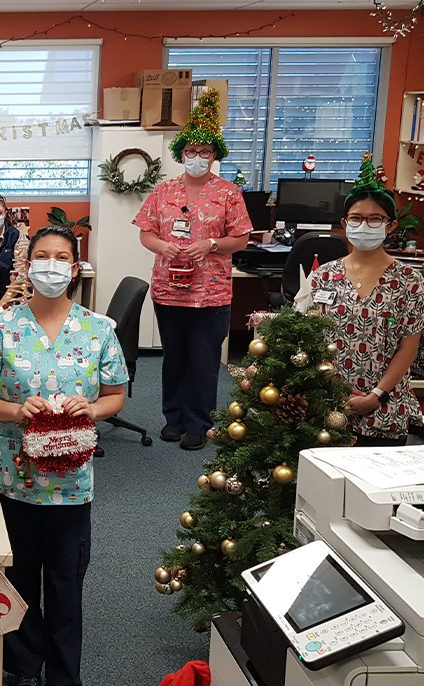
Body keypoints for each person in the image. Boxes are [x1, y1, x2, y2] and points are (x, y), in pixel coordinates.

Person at [0, 226, 127, 686]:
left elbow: (117, 395)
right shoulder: (2, 327)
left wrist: (92, 408)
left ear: (74, 269)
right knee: (15, 584)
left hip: (72, 489)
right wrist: (16, 410)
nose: (51, 265)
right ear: (26, 266)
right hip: (14, 482)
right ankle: (20, 667)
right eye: (42, 256)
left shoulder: (98, 331)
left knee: (65, 587)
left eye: (61, 257)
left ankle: (62, 674)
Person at [134, 88, 251, 451]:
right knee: (174, 358)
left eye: (204, 152)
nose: (197, 158)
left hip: (210, 293)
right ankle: (173, 418)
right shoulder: (163, 190)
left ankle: (199, 423)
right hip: (169, 289)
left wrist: (212, 244)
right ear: (180, 153)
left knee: (203, 361)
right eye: (190, 152)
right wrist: (162, 245)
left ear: (215, 155)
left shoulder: (229, 193)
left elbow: (241, 239)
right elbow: (146, 233)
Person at [309, 157, 424, 447]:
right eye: (356, 218)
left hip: (385, 404)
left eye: (374, 219)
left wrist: (376, 395)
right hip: (328, 400)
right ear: (344, 223)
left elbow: (409, 349)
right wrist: (334, 388)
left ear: (390, 225)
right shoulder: (324, 276)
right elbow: (313, 339)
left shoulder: (408, 280)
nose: (364, 225)